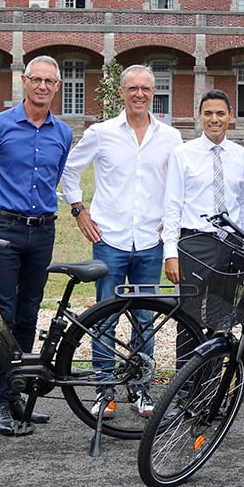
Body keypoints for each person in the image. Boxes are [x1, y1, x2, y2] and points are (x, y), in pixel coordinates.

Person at [59, 64, 182, 418]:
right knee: (105, 319)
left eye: (146, 88)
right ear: (121, 92)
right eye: (133, 88)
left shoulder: (170, 137)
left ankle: (141, 391)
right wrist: (79, 209)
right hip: (110, 238)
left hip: (149, 241)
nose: (140, 94)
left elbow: (179, 184)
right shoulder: (101, 133)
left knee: (145, 319)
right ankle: (103, 392)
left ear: (154, 92)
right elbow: (69, 170)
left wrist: (170, 224)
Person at [0, 54, 73, 436]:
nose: (43, 86)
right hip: (3, 229)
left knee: (29, 313)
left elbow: (53, 179)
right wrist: (0, 217)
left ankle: (16, 394)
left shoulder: (62, 133)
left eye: (50, 81)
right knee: (1, 315)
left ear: (57, 87)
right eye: (37, 80)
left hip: (42, 231)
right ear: (24, 81)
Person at [161, 89, 244, 359]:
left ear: (230, 116)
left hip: (231, 245)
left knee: (222, 318)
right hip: (195, 243)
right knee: (188, 318)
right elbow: (172, 205)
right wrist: (170, 252)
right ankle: (185, 390)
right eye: (208, 113)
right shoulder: (183, 154)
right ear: (199, 116)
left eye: (221, 113)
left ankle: (211, 390)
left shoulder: (239, 155)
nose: (215, 119)